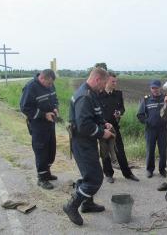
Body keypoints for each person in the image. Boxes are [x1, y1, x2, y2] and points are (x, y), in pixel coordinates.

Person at [63, 67, 114, 226]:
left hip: (87, 142)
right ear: (97, 79)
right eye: (104, 83)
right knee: (94, 178)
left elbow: (92, 116)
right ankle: (71, 206)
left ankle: (87, 204)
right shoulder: (85, 96)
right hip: (82, 143)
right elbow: (84, 126)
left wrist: (103, 123)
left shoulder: (91, 93)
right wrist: (102, 133)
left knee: (89, 175)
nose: (104, 87)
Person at [20, 69, 59, 190]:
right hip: (38, 125)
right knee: (41, 151)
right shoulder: (31, 87)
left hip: (50, 124)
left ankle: (47, 173)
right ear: (42, 78)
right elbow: (25, 107)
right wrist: (44, 115)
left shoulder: (50, 85)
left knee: (51, 150)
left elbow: (54, 98)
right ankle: (41, 179)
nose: (50, 86)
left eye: (51, 83)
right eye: (49, 83)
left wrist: (55, 108)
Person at [98, 72, 139, 183]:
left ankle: (127, 173)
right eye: (113, 81)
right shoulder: (98, 95)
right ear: (106, 81)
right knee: (105, 152)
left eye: (116, 82)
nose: (115, 84)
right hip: (104, 128)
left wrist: (119, 113)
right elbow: (96, 113)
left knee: (120, 151)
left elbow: (122, 108)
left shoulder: (118, 94)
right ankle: (108, 174)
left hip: (115, 128)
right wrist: (104, 124)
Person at [137, 80, 167, 178]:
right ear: (150, 88)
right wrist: (147, 122)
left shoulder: (166, 98)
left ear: (160, 87)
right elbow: (140, 115)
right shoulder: (146, 100)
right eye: (152, 88)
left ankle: (162, 169)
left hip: (163, 130)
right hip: (151, 130)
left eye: (156, 88)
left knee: (163, 150)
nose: (154, 90)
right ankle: (150, 170)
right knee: (150, 150)